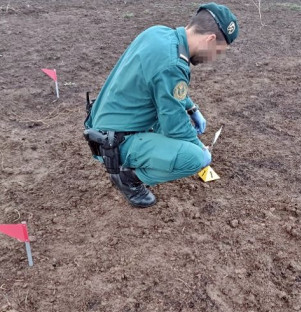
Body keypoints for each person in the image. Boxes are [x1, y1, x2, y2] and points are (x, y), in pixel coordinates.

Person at [84, 2, 239, 208]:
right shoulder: (174, 65)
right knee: (194, 158)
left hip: (101, 123)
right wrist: (201, 148)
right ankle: (127, 178)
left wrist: (192, 108)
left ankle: (137, 155)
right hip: (113, 143)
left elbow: (164, 85)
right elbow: (175, 127)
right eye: (218, 52)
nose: (214, 58)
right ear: (210, 40)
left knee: (175, 126)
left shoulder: (157, 33)